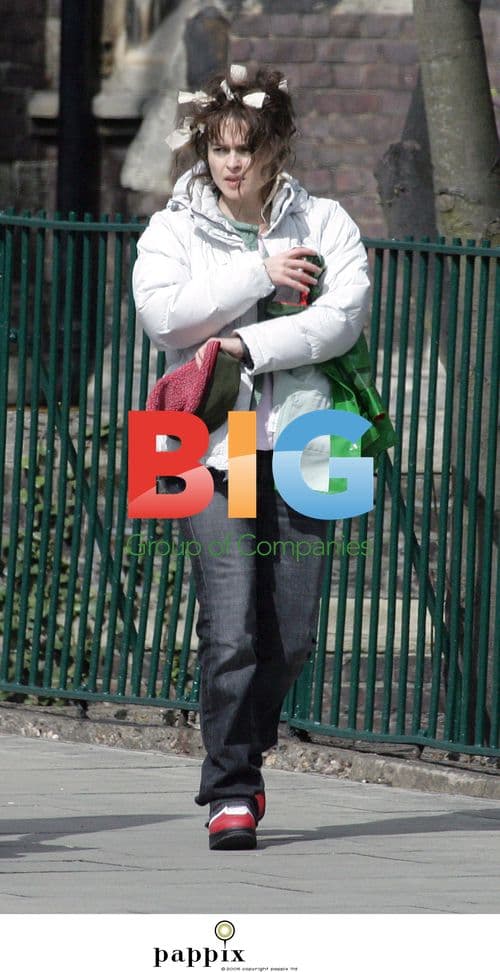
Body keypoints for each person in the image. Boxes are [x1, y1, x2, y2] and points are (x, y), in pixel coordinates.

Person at [132, 64, 371, 850]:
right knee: (230, 624)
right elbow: (163, 316)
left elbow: (342, 321)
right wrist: (255, 275)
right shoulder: (174, 227)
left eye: (247, 147)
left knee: (294, 633)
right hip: (211, 437)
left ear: (277, 147)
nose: (231, 163)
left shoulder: (326, 221)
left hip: (317, 435)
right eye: (219, 147)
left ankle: (244, 747)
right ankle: (230, 787)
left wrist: (242, 342)